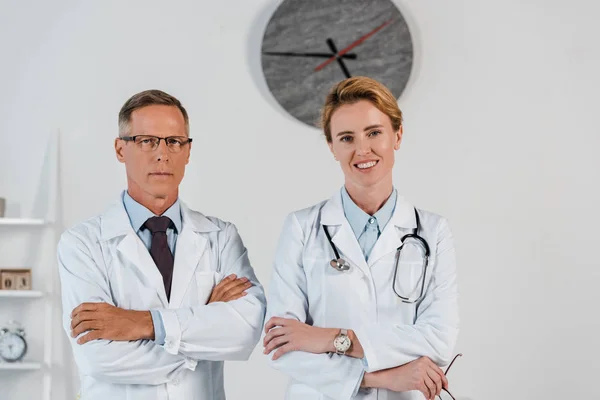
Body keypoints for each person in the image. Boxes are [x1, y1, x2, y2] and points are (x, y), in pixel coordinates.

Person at [57, 90, 266, 400]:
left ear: (188, 151)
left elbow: (245, 331)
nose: (162, 154)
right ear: (120, 149)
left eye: (174, 141)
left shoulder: (221, 237)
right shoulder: (83, 244)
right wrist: (205, 327)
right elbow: (98, 358)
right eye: (146, 141)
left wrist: (143, 323)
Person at [263, 76, 460, 400]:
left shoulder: (433, 232)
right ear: (331, 146)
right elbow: (282, 345)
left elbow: (437, 339)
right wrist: (379, 377)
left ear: (397, 134)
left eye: (374, 133)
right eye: (346, 138)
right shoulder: (301, 228)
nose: (362, 149)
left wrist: (331, 339)